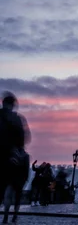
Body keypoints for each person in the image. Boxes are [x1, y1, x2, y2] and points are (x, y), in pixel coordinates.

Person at [0, 92, 31, 224]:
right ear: (13, 105)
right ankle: (12, 215)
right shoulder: (18, 118)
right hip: (14, 157)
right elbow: (26, 138)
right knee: (16, 188)